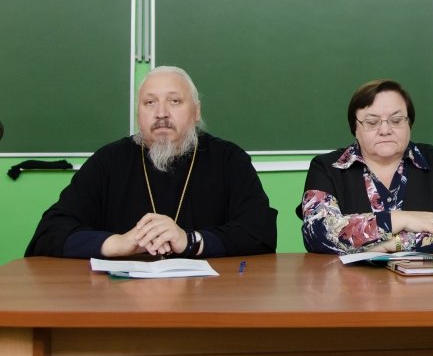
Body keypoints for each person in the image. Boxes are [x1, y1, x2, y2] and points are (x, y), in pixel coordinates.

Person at [26, 66, 277, 258]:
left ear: (196, 111)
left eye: (174, 101)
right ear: (139, 114)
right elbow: (49, 233)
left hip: (208, 298)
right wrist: (117, 243)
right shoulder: (108, 161)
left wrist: (190, 241)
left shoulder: (229, 159)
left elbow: (260, 233)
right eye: (150, 102)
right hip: (122, 299)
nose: (161, 113)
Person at [299, 79, 433, 254]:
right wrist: (400, 219)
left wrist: (387, 244)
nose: (385, 130)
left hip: (427, 273)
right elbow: (316, 234)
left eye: (396, 120)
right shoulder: (326, 168)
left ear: (409, 123)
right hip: (350, 273)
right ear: (354, 127)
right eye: (372, 122)